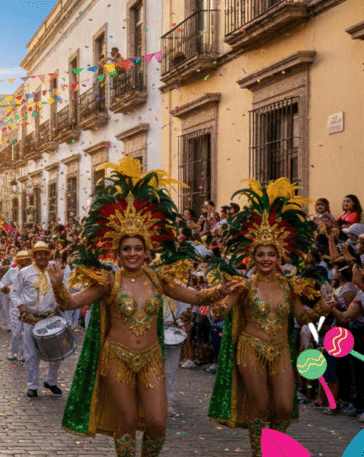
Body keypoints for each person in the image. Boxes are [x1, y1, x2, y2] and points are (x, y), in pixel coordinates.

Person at [55, 158, 239, 457]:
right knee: (127, 422)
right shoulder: (108, 282)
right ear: (117, 252)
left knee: (157, 425)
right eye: (126, 249)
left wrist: (220, 290)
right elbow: (69, 303)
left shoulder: (157, 279)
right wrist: (56, 285)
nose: (133, 253)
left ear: (146, 251)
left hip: (151, 358)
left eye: (138, 248)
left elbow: (195, 297)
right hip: (117, 358)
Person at [207, 178, 331, 457]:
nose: (266, 259)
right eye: (261, 254)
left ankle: (274, 447)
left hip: (281, 350)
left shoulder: (289, 286)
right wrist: (218, 305)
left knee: (284, 408)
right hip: (250, 348)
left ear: (279, 257)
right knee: (261, 407)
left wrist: (323, 309)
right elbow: (221, 310)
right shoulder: (243, 286)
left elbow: (302, 316)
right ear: (253, 257)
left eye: (271, 254)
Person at [14, 241, 70, 397]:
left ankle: (51, 381)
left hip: (51, 317)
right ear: (34, 256)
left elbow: (63, 290)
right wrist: (22, 308)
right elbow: (14, 293)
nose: (43, 257)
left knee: (57, 352)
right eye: (39, 254)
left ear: (49, 255)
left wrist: (63, 303)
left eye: (46, 254)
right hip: (30, 318)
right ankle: (32, 386)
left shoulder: (55, 271)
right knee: (31, 354)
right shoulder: (24, 272)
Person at [1, 250, 30, 361]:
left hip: (28, 307)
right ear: (17, 261)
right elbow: (2, 283)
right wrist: (3, 288)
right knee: (16, 332)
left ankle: (22, 353)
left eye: (26, 261)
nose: (23, 263)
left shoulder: (32, 272)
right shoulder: (12, 271)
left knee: (26, 332)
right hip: (14, 306)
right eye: (21, 261)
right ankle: (13, 351)